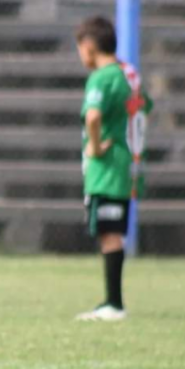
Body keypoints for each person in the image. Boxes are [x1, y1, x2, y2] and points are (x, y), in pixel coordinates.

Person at [73, 16, 152, 322]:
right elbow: (145, 107)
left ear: (89, 46)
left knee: (109, 233)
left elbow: (93, 117)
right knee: (112, 232)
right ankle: (112, 302)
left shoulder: (102, 77)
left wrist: (93, 146)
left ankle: (113, 304)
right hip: (127, 164)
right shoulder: (128, 75)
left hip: (106, 168)